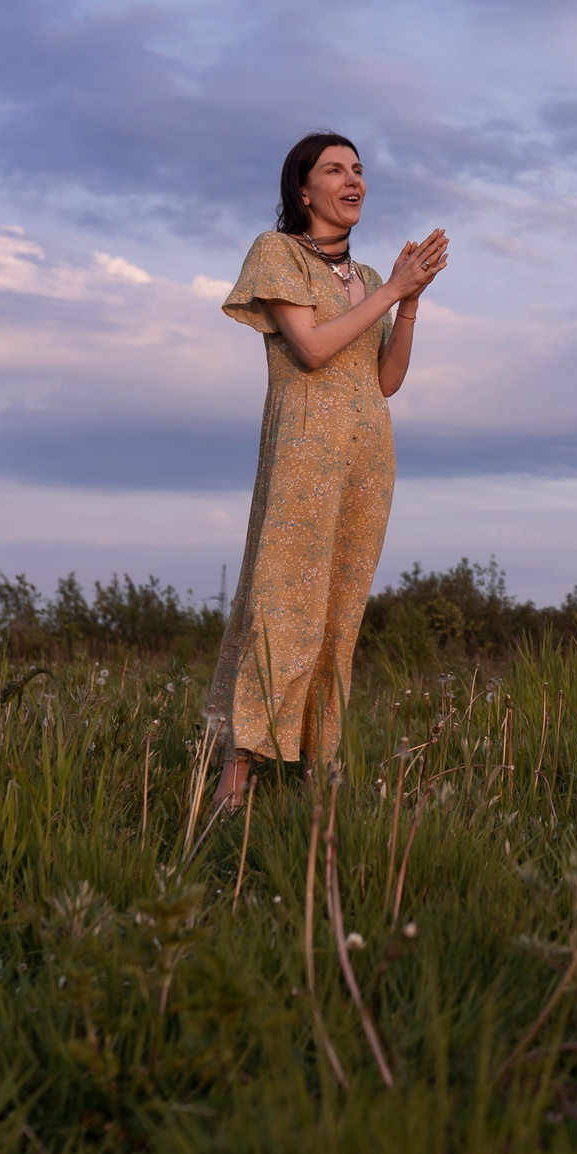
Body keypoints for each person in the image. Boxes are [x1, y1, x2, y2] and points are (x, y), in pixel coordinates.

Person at [207, 132, 448, 809]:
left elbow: (388, 380)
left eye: (360, 170)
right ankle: (236, 775)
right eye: (335, 169)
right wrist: (392, 289)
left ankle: (317, 778)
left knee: (340, 615)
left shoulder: (369, 278)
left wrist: (409, 301)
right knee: (282, 602)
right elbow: (311, 348)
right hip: (304, 453)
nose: (354, 180)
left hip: (368, 455)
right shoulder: (276, 252)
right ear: (303, 188)